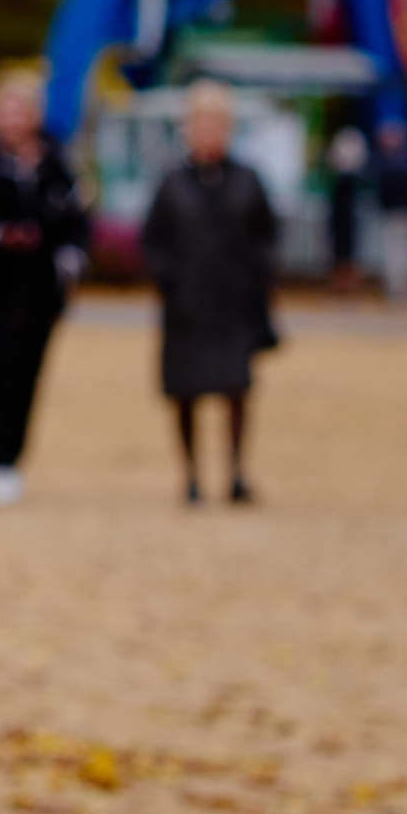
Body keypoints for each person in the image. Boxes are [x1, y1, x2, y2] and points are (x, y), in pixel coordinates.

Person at [0, 67, 89, 505]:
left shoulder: (58, 163)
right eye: (6, 109)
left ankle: (15, 459)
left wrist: (68, 262)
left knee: (29, 373)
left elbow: (79, 223)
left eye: (22, 109)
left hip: (43, 291)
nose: (14, 118)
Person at [140, 81, 279, 505]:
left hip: (234, 305)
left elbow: (267, 237)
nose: (208, 133)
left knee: (236, 390)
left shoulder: (247, 181)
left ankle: (236, 473)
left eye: (216, 124)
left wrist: (255, 281)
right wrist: (172, 281)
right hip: (187, 307)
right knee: (186, 394)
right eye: (201, 124)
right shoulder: (172, 183)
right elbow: (152, 242)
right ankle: (192, 477)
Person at [373, 114, 407, 303]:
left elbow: (383, 191)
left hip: (396, 214)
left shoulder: (388, 163)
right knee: (403, 254)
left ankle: (398, 290)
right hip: (403, 213)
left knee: (397, 255)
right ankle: (402, 290)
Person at [325, 120, 370, 292]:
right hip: (344, 221)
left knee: (347, 253)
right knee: (342, 252)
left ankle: (346, 283)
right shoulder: (346, 181)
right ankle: (342, 283)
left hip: (347, 221)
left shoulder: (349, 181)